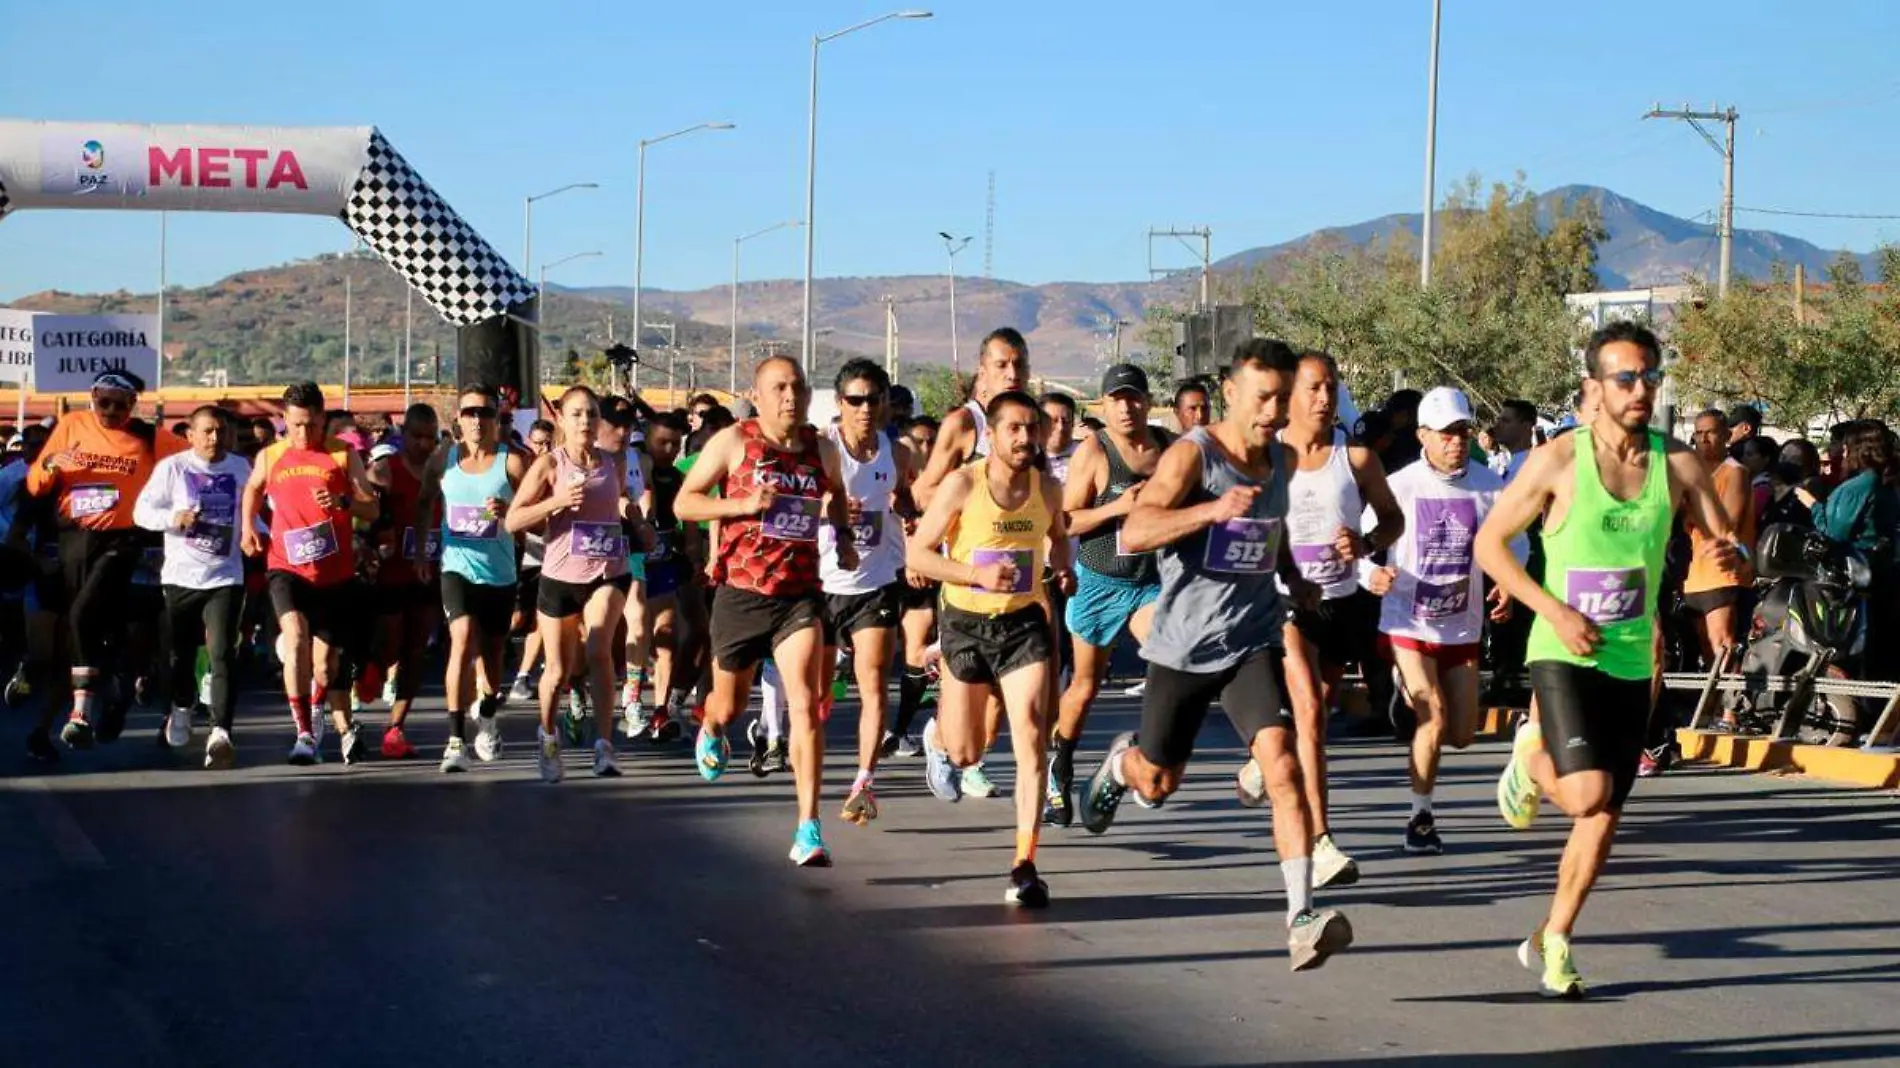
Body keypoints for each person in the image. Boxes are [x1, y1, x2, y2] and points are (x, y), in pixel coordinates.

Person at [1478, 320, 1744, 999]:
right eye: (1625, 378)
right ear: (1593, 388)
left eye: (1650, 377)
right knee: (1587, 793)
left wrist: (1727, 556)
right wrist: (1553, 610)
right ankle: (1531, 754)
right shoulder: (1558, 461)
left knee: (1603, 816)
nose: (1640, 390)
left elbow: (1720, 542)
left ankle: (1555, 938)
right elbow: (1491, 545)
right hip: (1562, 649)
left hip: (1631, 656)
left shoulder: (1678, 463)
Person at [1078, 339, 1350, 971]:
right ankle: (1121, 767)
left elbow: (1268, 531)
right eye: (1262, 398)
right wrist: (1209, 510)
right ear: (1229, 392)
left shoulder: (1281, 459)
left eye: (1282, 398)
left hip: (1250, 639)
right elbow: (1136, 531)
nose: (1273, 411)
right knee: (1158, 782)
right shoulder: (1191, 457)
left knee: (1282, 763)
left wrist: (1293, 576)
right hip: (1182, 646)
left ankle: (1300, 917)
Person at [677, 356, 856, 867]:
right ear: (757, 395)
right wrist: (740, 506)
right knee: (728, 707)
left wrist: (841, 537)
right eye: (778, 388)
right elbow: (685, 504)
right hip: (740, 595)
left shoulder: (822, 448)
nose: (790, 397)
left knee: (805, 700)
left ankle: (808, 826)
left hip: (798, 597)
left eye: (798, 388)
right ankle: (711, 728)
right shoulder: (734, 442)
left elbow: (837, 496)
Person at [1236, 352, 1401, 886]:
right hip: (1285, 602)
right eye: (1314, 388)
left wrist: (1368, 542)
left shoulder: (1356, 459)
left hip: (1343, 602)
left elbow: (1393, 517)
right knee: (1309, 711)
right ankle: (1321, 840)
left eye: (1331, 387)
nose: (1325, 398)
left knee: (1315, 713)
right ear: (1291, 395)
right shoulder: (1269, 457)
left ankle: (1267, 757)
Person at [909, 389, 1073, 905]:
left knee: (1030, 735)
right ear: (993, 435)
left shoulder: (1048, 489)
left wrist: (1062, 567)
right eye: (1014, 429)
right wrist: (973, 573)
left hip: (1023, 622)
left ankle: (1024, 863)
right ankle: (938, 739)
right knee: (968, 750)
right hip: (965, 623)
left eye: (1033, 429)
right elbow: (918, 553)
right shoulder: (962, 485)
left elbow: (1060, 537)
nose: (1026, 438)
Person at [1361, 387, 1511, 855]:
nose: (1455, 441)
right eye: (1445, 433)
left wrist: (1508, 580)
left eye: (1463, 431)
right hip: (1408, 622)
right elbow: (1359, 544)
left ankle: (1410, 691)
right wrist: (1371, 574)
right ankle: (1420, 817)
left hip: (1461, 625)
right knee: (1433, 715)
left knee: (1463, 734)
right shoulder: (1401, 485)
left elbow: (1512, 540)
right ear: (1423, 435)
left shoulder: (1490, 486)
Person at [27, 370, 184, 750]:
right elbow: (35, 483)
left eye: (120, 404)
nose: (110, 411)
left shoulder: (148, 437)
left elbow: (195, 458)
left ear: (134, 405)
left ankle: (81, 711)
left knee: (86, 618)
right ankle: (94, 707)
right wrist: (50, 465)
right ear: (91, 397)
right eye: (103, 401)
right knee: (81, 633)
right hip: (75, 540)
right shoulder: (72, 423)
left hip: (123, 543)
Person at [1045, 364, 1173, 827]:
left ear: (1147, 401)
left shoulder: (1168, 448)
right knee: (1085, 686)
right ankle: (1059, 766)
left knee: (1170, 660)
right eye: (1115, 399)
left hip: (1150, 583)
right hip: (1099, 581)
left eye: (1133, 397)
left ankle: (1144, 758)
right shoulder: (1095, 451)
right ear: (1102, 406)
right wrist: (1120, 506)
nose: (1125, 407)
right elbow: (1064, 521)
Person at [910, 328, 1032, 796]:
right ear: (982, 371)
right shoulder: (966, 423)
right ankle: (943, 741)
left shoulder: (1028, 424)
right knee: (976, 680)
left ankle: (973, 753)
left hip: (1021, 577)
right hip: (965, 580)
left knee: (1008, 692)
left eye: (1019, 364)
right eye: (1001, 365)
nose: (1012, 373)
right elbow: (922, 491)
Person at [507, 386, 644, 781]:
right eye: (577, 414)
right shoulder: (550, 465)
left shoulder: (613, 463)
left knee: (600, 649)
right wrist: (556, 502)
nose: (586, 421)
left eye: (591, 414)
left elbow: (619, 503)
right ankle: (547, 735)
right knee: (558, 671)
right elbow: (514, 520)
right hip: (561, 576)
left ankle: (604, 746)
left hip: (608, 570)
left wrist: (637, 522)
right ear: (562, 421)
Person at [242, 381, 379, 765]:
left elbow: (372, 510)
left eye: (311, 425)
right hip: (286, 566)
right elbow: (252, 489)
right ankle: (304, 732)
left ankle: (320, 712)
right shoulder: (271, 456)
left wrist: (344, 501)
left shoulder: (342, 455)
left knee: (324, 664)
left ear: (323, 419)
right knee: (296, 637)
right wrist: (248, 526)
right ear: (284, 420)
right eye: (295, 425)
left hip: (334, 575)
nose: (303, 433)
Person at [818, 360, 914, 826]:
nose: (864, 408)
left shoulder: (898, 455)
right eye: (854, 400)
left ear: (885, 404)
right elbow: (794, 504)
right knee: (814, 694)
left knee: (875, 682)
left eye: (873, 399)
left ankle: (863, 782)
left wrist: (908, 509)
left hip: (875, 583)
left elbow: (909, 500)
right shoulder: (823, 448)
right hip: (820, 585)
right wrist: (830, 511)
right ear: (840, 403)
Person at [133, 405, 250, 768]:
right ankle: (181, 707)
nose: (215, 438)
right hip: (181, 577)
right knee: (179, 657)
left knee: (222, 653)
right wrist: (174, 518)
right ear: (191, 435)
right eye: (208, 431)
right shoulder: (173, 468)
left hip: (225, 575)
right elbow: (141, 512)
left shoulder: (240, 467)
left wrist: (258, 535)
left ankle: (221, 731)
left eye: (222, 431)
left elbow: (253, 514)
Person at [419, 387, 528, 772]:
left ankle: (487, 714)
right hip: (456, 566)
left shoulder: (512, 462)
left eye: (485, 412)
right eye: (470, 412)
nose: (477, 419)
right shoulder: (444, 459)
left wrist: (510, 510)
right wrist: (421, 549)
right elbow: (425, 499)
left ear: (496, 418)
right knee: (462, 640)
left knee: (493, 653)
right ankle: (454, 740)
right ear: (459, 419)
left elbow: (537, 514)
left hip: (499, 572)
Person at [364, 404, 442, 760]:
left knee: (415, 650)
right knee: (389, 643)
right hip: (391, 572)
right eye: (417, 436)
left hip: (429, 571)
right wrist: (376, 538)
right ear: (403, 435)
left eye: (430, 437)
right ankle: (371, 669)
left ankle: (395, 727)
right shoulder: (386, 469)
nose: (424, 444)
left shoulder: (444, 472)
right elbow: (363, 512)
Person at [1682, 409, 1755, 667]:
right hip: (1693, 573)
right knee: (1706, 648)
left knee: (1722, 643)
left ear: (1726, 435)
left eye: (1710, 432)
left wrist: (1690, 514)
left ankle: (1730, 708)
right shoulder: (1692, 475)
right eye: (1698, 433)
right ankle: (1711, 705)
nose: (1703, 439)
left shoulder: (1735, 472)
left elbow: (1727, 523)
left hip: (1723, 570)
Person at [508, 418, 557, 703]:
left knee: (540, 617)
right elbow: (503, 510)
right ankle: (499, 656)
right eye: (538, 442)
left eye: (548, 442)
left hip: (550, 556)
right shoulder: (521, 469)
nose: (543, 447)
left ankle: (523, 676)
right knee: (516, 618)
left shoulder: (559, 468)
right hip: (521, 554)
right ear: (529, 441)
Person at [1490, 400, 1539, 484]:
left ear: (1526, 426)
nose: (1497, 425)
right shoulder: (1511, 467)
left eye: (1505, 421)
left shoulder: (1534, 468)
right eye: (1499, 420)